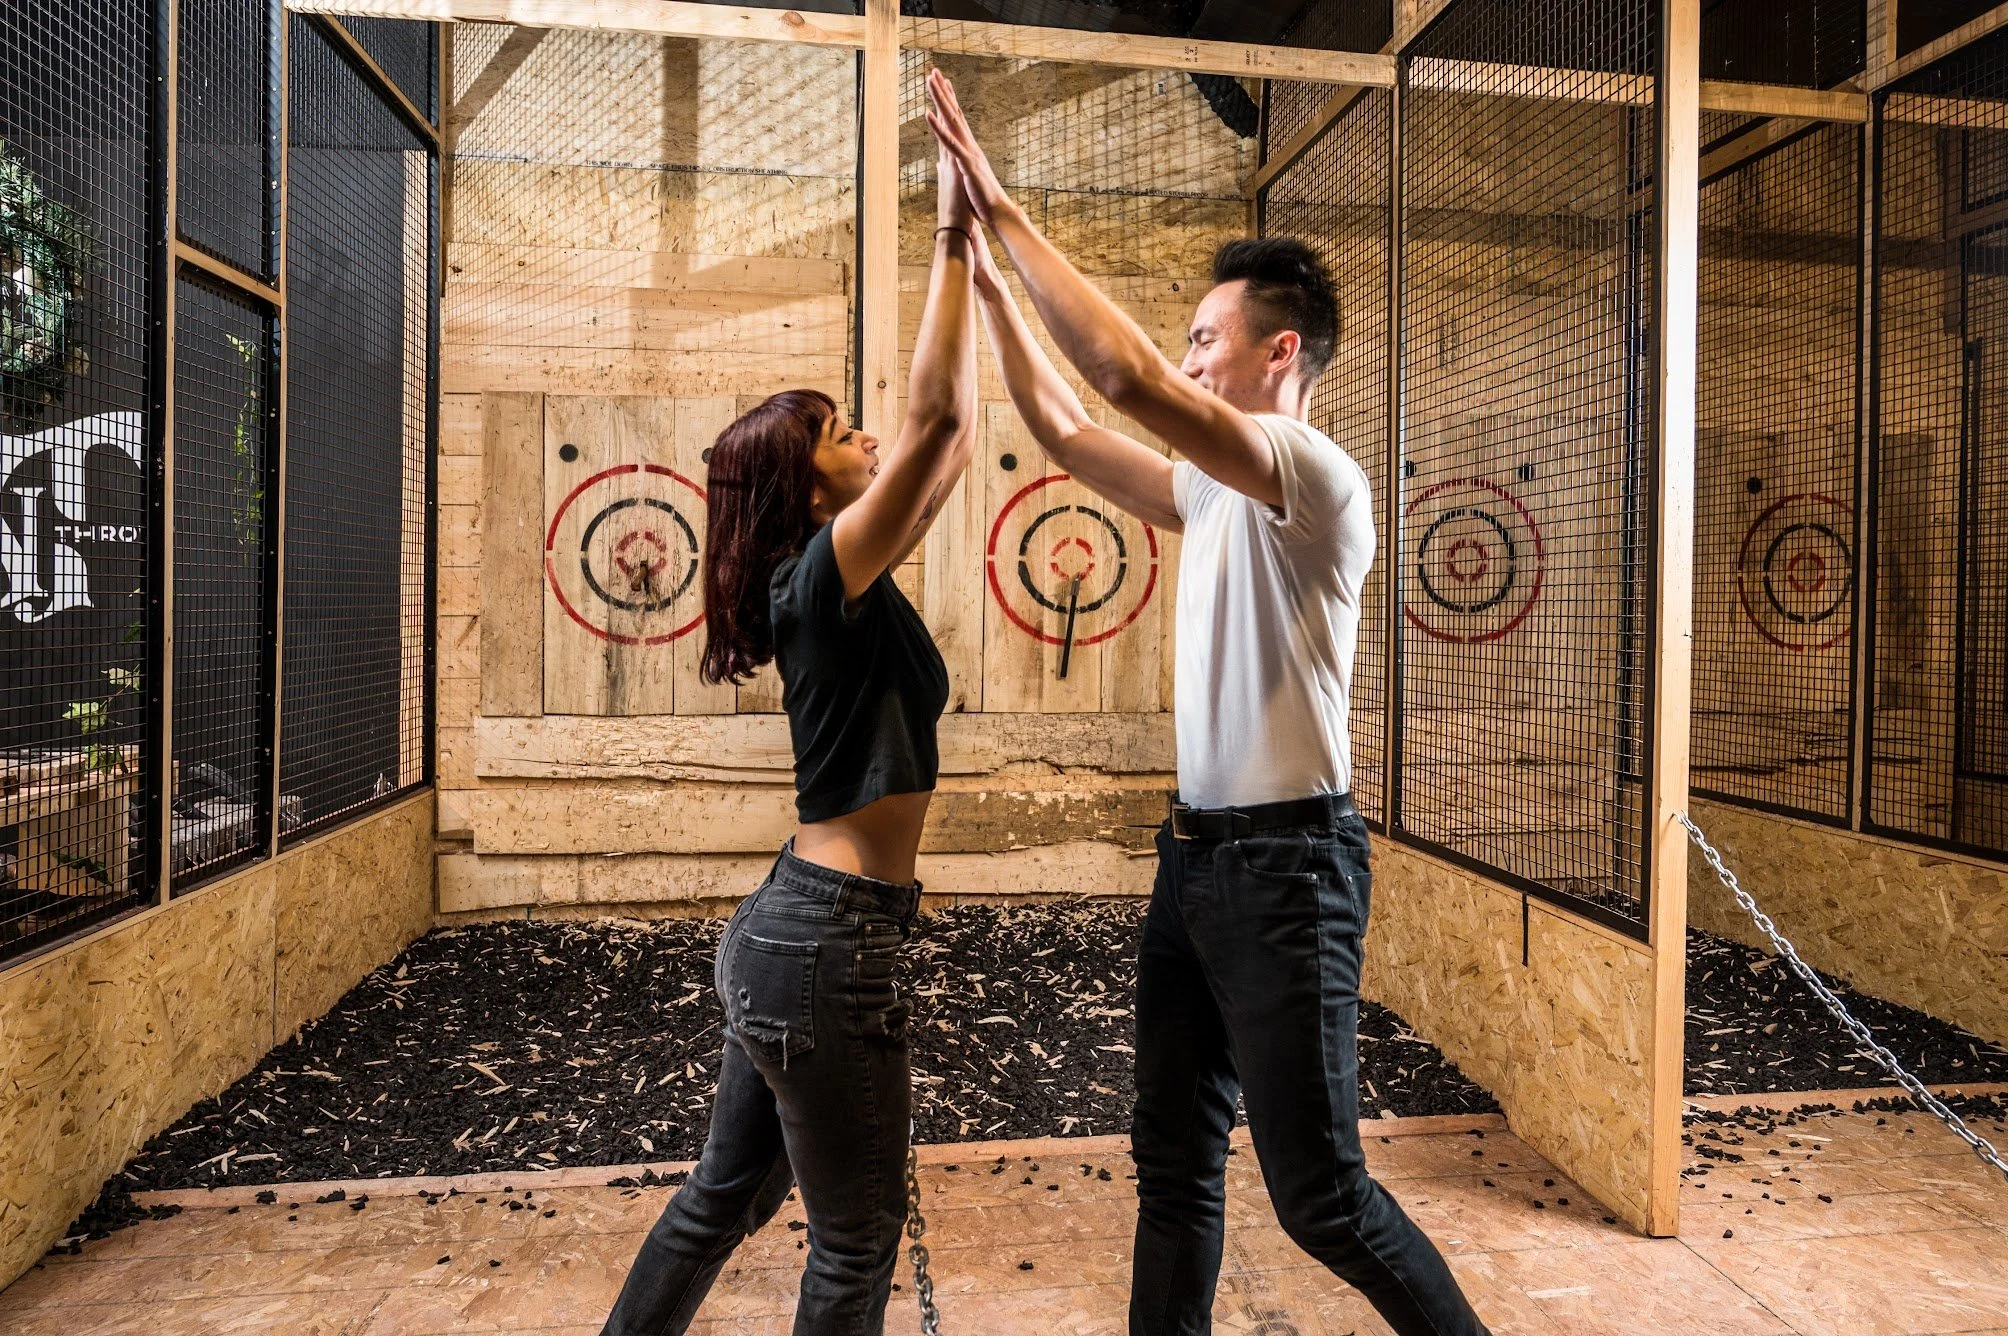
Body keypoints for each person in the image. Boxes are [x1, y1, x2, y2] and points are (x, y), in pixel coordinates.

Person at [928, 70, 1491, 1336]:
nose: (1188, 355)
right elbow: (1072, 430)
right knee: (1173, 1166)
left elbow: (1123, 381)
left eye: (1205, 337)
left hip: (1290, 868)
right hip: (1197, 863)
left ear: (1277, 351)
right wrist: (983, 280)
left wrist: (1006, 209)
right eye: (1187, 339)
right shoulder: (1215, 489)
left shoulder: (1311, 471)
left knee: (1323, 1198)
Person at [598, 148, 983, 1336]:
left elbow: (952, 436)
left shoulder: (828, 578)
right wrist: (952, 240)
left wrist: (991, 289)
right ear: (807, 488)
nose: (861, 432)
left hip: (795, 935)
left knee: (725, 1197)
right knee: (856, 1243)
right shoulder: (816, 580)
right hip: (825, 944)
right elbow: (928, 424)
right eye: (833, 431)